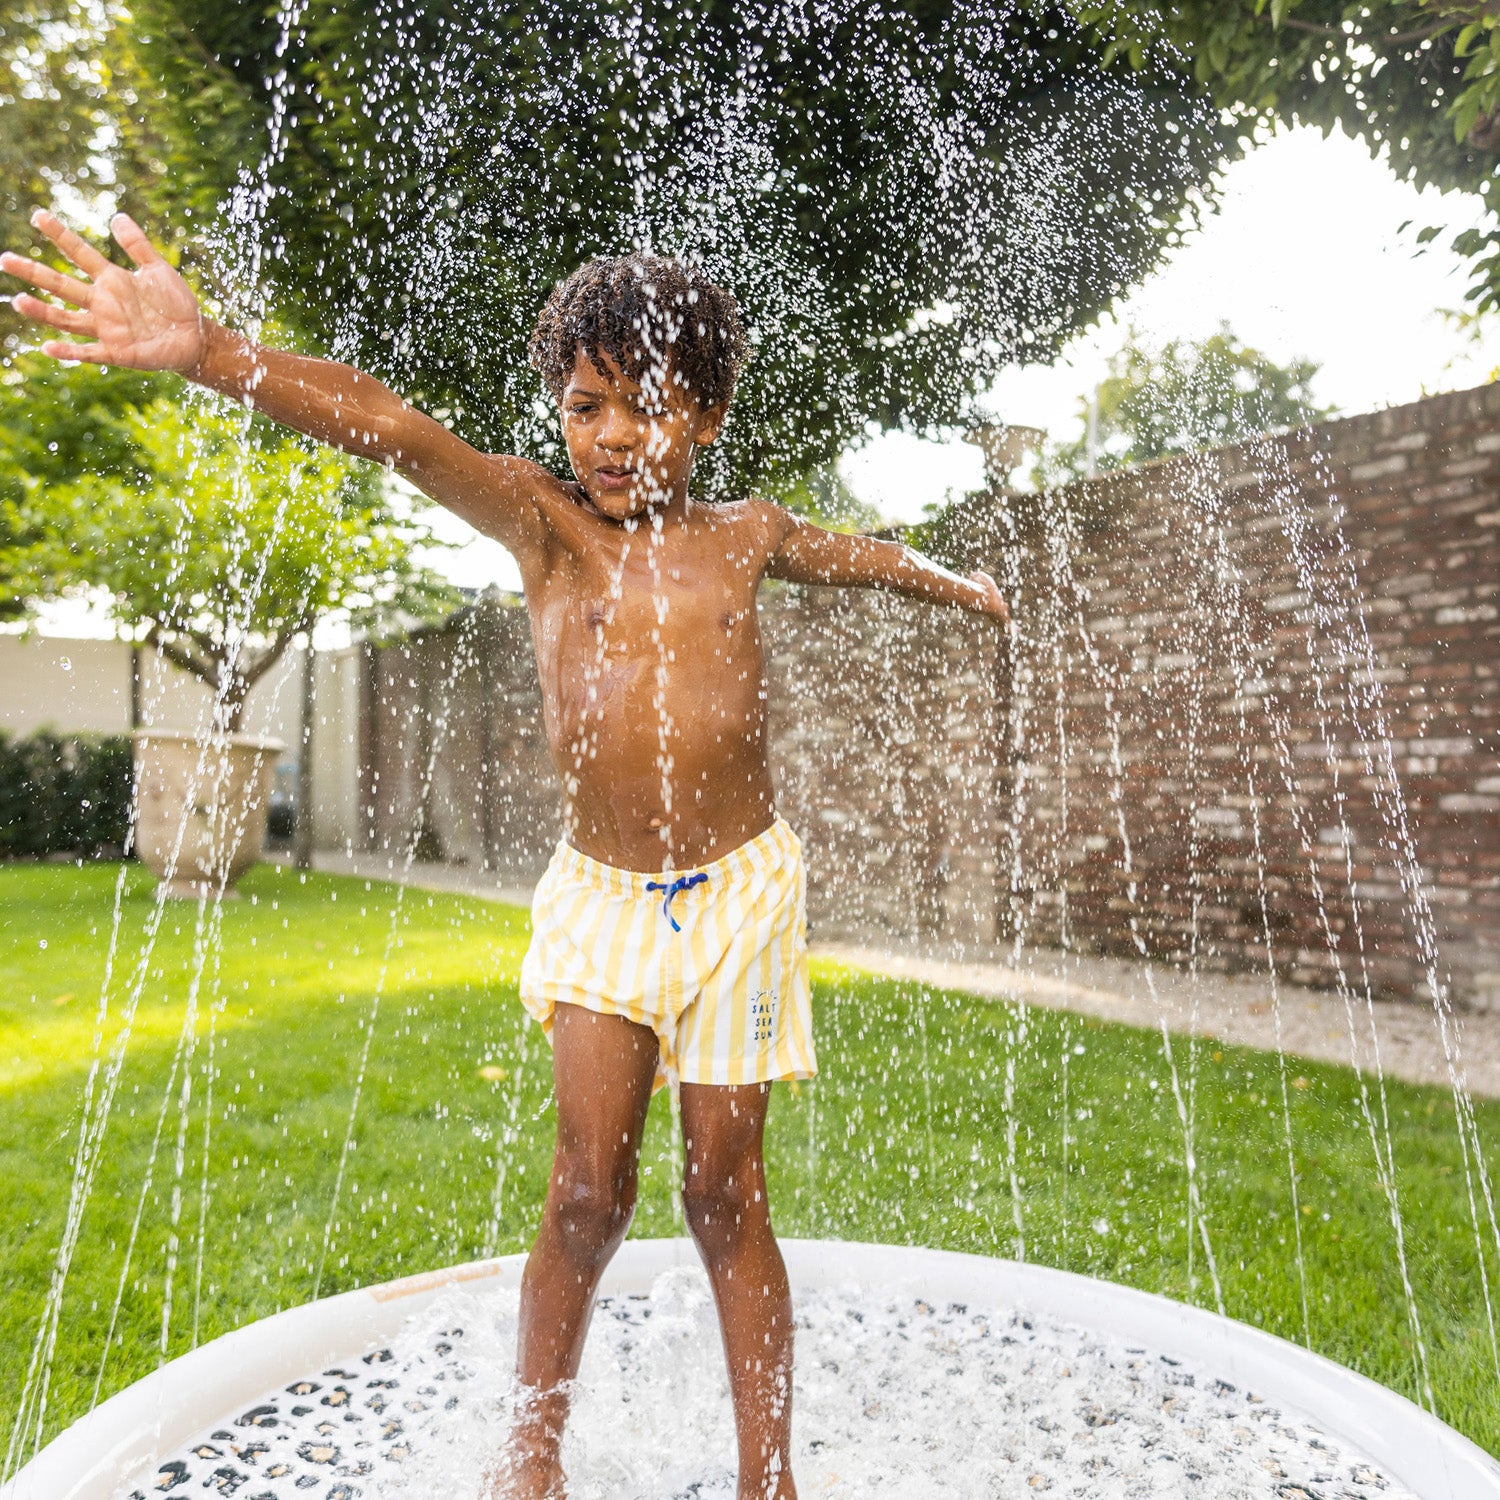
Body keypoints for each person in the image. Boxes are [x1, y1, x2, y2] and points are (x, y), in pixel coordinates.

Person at [2, 210, 1009, 1500]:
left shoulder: (743, 538)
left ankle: (772, 1477)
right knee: (589, 1188)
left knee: (723, 1190)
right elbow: (391, 425)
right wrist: (208, 353)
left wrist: (951, 579)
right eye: (585, 406)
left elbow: (857, 556)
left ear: (701, 413)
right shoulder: (545, 526)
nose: (609, 437)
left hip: (747, 891)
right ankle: (529, 1464)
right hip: (600, 902)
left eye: (642, 407)